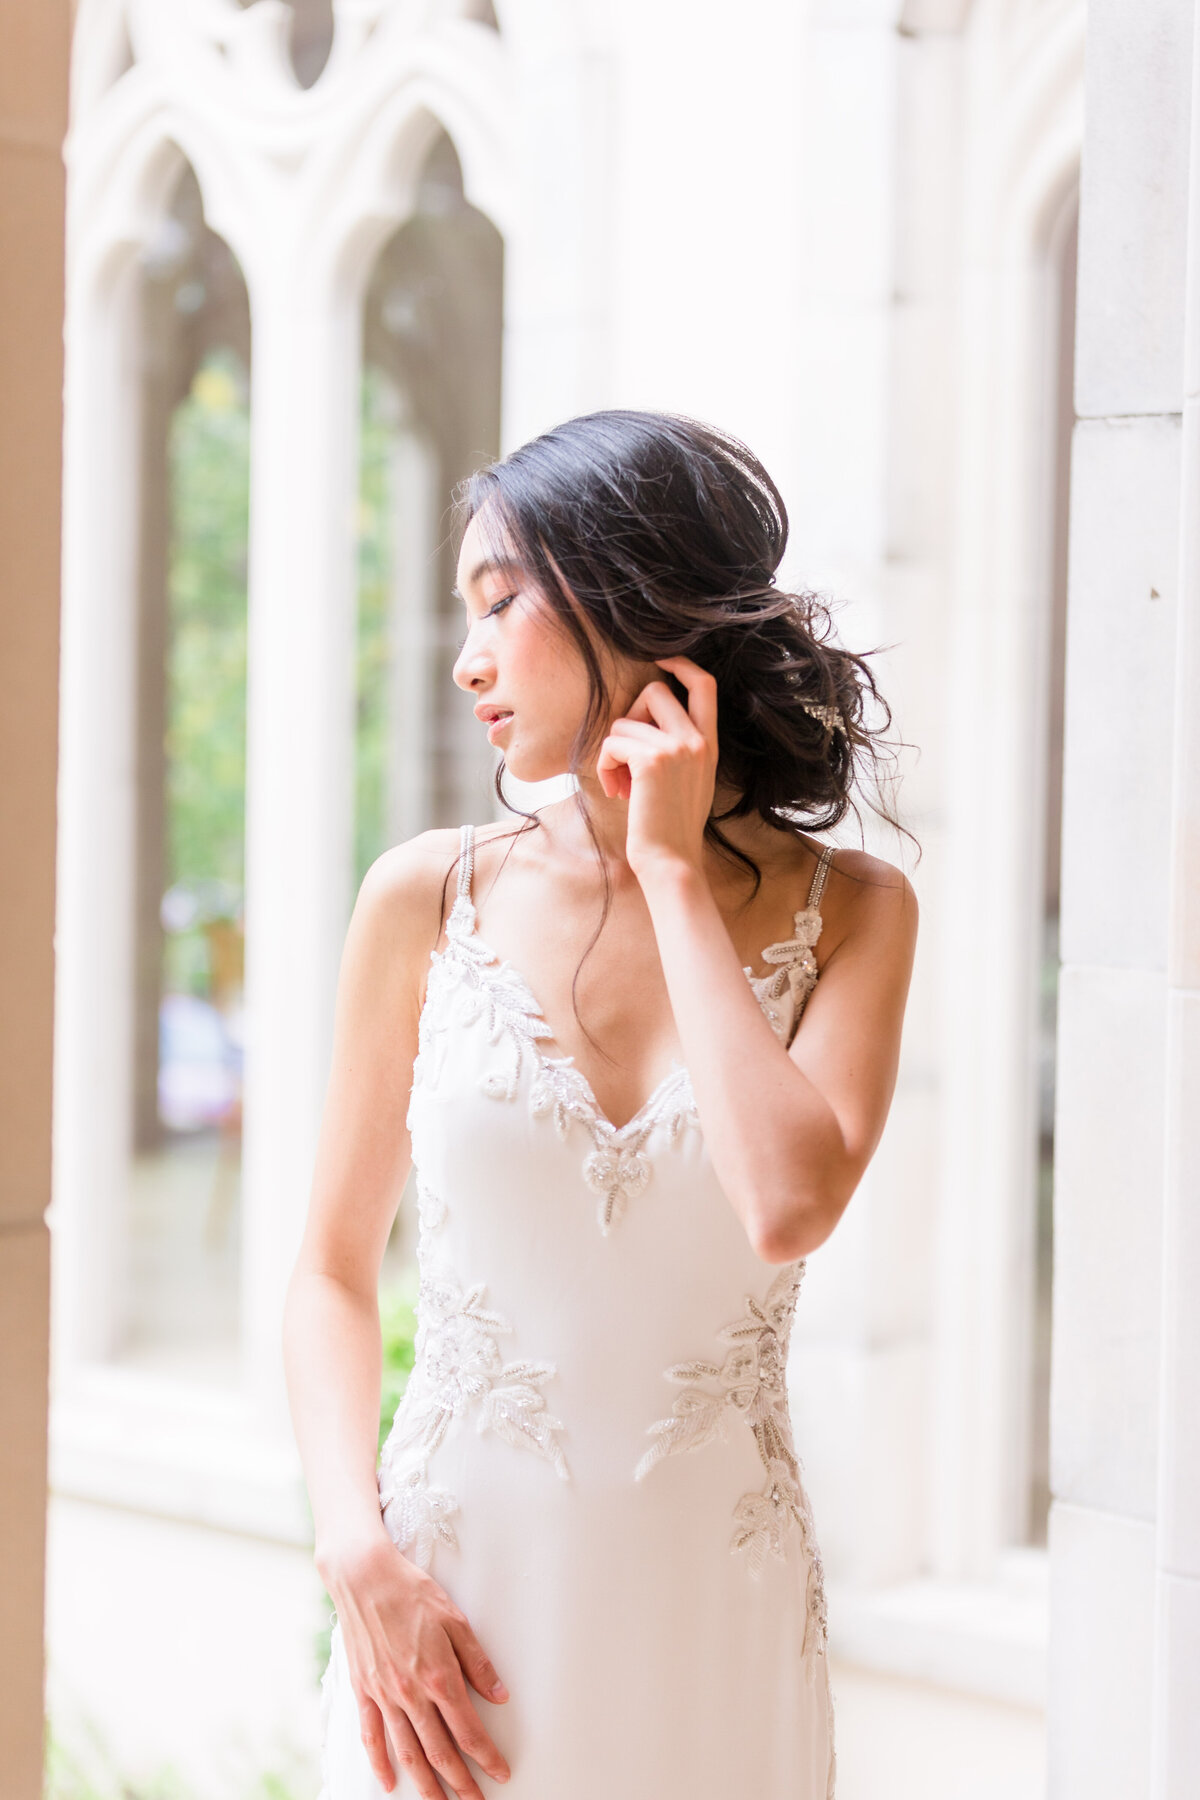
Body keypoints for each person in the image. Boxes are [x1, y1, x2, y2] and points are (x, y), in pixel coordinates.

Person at [283, 410, 918, 1800]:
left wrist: (676, 871)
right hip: (446, 1617)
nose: (468, 660)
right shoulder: (425, 895)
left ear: (628, 597)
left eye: (502, 604)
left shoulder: (857, 911)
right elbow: (330, 1270)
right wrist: (354, 1552)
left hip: (710, 1618)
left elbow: (789, 1200)